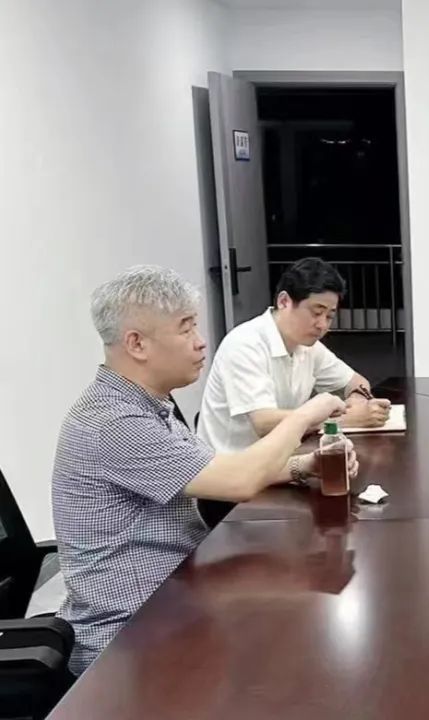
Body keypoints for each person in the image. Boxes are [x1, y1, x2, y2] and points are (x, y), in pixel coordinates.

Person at [52, 266, 356, 675]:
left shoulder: (150, 406)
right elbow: (238, 481)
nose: (200, 342)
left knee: (298, 619)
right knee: (298, 652)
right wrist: (306, 415)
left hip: (180, 592)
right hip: (133, 636)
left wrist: (305, 465)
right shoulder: (114, 422)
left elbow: (216, 472)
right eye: (186, 328)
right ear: (137, 344)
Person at [198, 257, 391, 454]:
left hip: (281, 455)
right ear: (284, 302)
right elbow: (264, 423)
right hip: (234, 464)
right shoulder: (245, 344)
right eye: (316, 312)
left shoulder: (307, 345)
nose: (323, 325)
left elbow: (356, 381)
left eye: (329, 316)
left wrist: (358, 401)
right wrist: (346, 420)